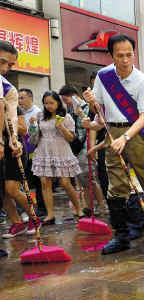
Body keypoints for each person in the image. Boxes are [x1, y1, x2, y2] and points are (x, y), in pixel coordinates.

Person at [82, 34, 144, 255]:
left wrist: (126, 138)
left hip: (137, 133)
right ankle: (121, 236)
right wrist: (91, 105)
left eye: (129, 55)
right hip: (112, 132)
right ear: (112, 55)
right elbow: (99, 111)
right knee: (116, 186)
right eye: (120, 55)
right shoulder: (104, 77)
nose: (125, 60)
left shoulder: (143, 81)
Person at [0, 41, 39, 242]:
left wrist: (13, 139)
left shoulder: (8, 90)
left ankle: (34, 217)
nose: (6, 69)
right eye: (3, 62)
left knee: (11, 189)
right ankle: (16, 222)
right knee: (4, 192)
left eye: (10, 65)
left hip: (12, 147)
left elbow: (15, 121)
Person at [30, 91, 83, 224]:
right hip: (44, 151)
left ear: (58, 103)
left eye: (51, 103)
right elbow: (35, 137)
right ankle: (50, 215)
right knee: (45, 182)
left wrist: (61, 127)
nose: (48, 106)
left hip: (61, 151)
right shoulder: (40, 116)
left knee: (65, 182)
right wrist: (32, 127)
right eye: (46, 103)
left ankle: (79, 208)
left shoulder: (66, 117)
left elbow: (71, 138)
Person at [59, 85, 106, 216]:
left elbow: (92, 127)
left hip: (86, 146)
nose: (65, 102)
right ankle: (89, 208)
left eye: (66, 99)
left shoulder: (87, 107)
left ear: (74, 95)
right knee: (83, 181)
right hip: (76, 147)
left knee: (90, 179)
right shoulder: (69, 110)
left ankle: (102, 206)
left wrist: (92, 148)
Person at [18, 88, 46, 216]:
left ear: (30, 98)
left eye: (22, 98)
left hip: (36, 151)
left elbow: (39, 135)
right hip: (24, 151)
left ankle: (41, 207)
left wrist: (33, 126)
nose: (19, 101)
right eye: (18, 98)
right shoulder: (19, 113)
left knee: (38, 181)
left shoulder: (38, 112)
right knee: (26, 182)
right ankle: (29, 206)